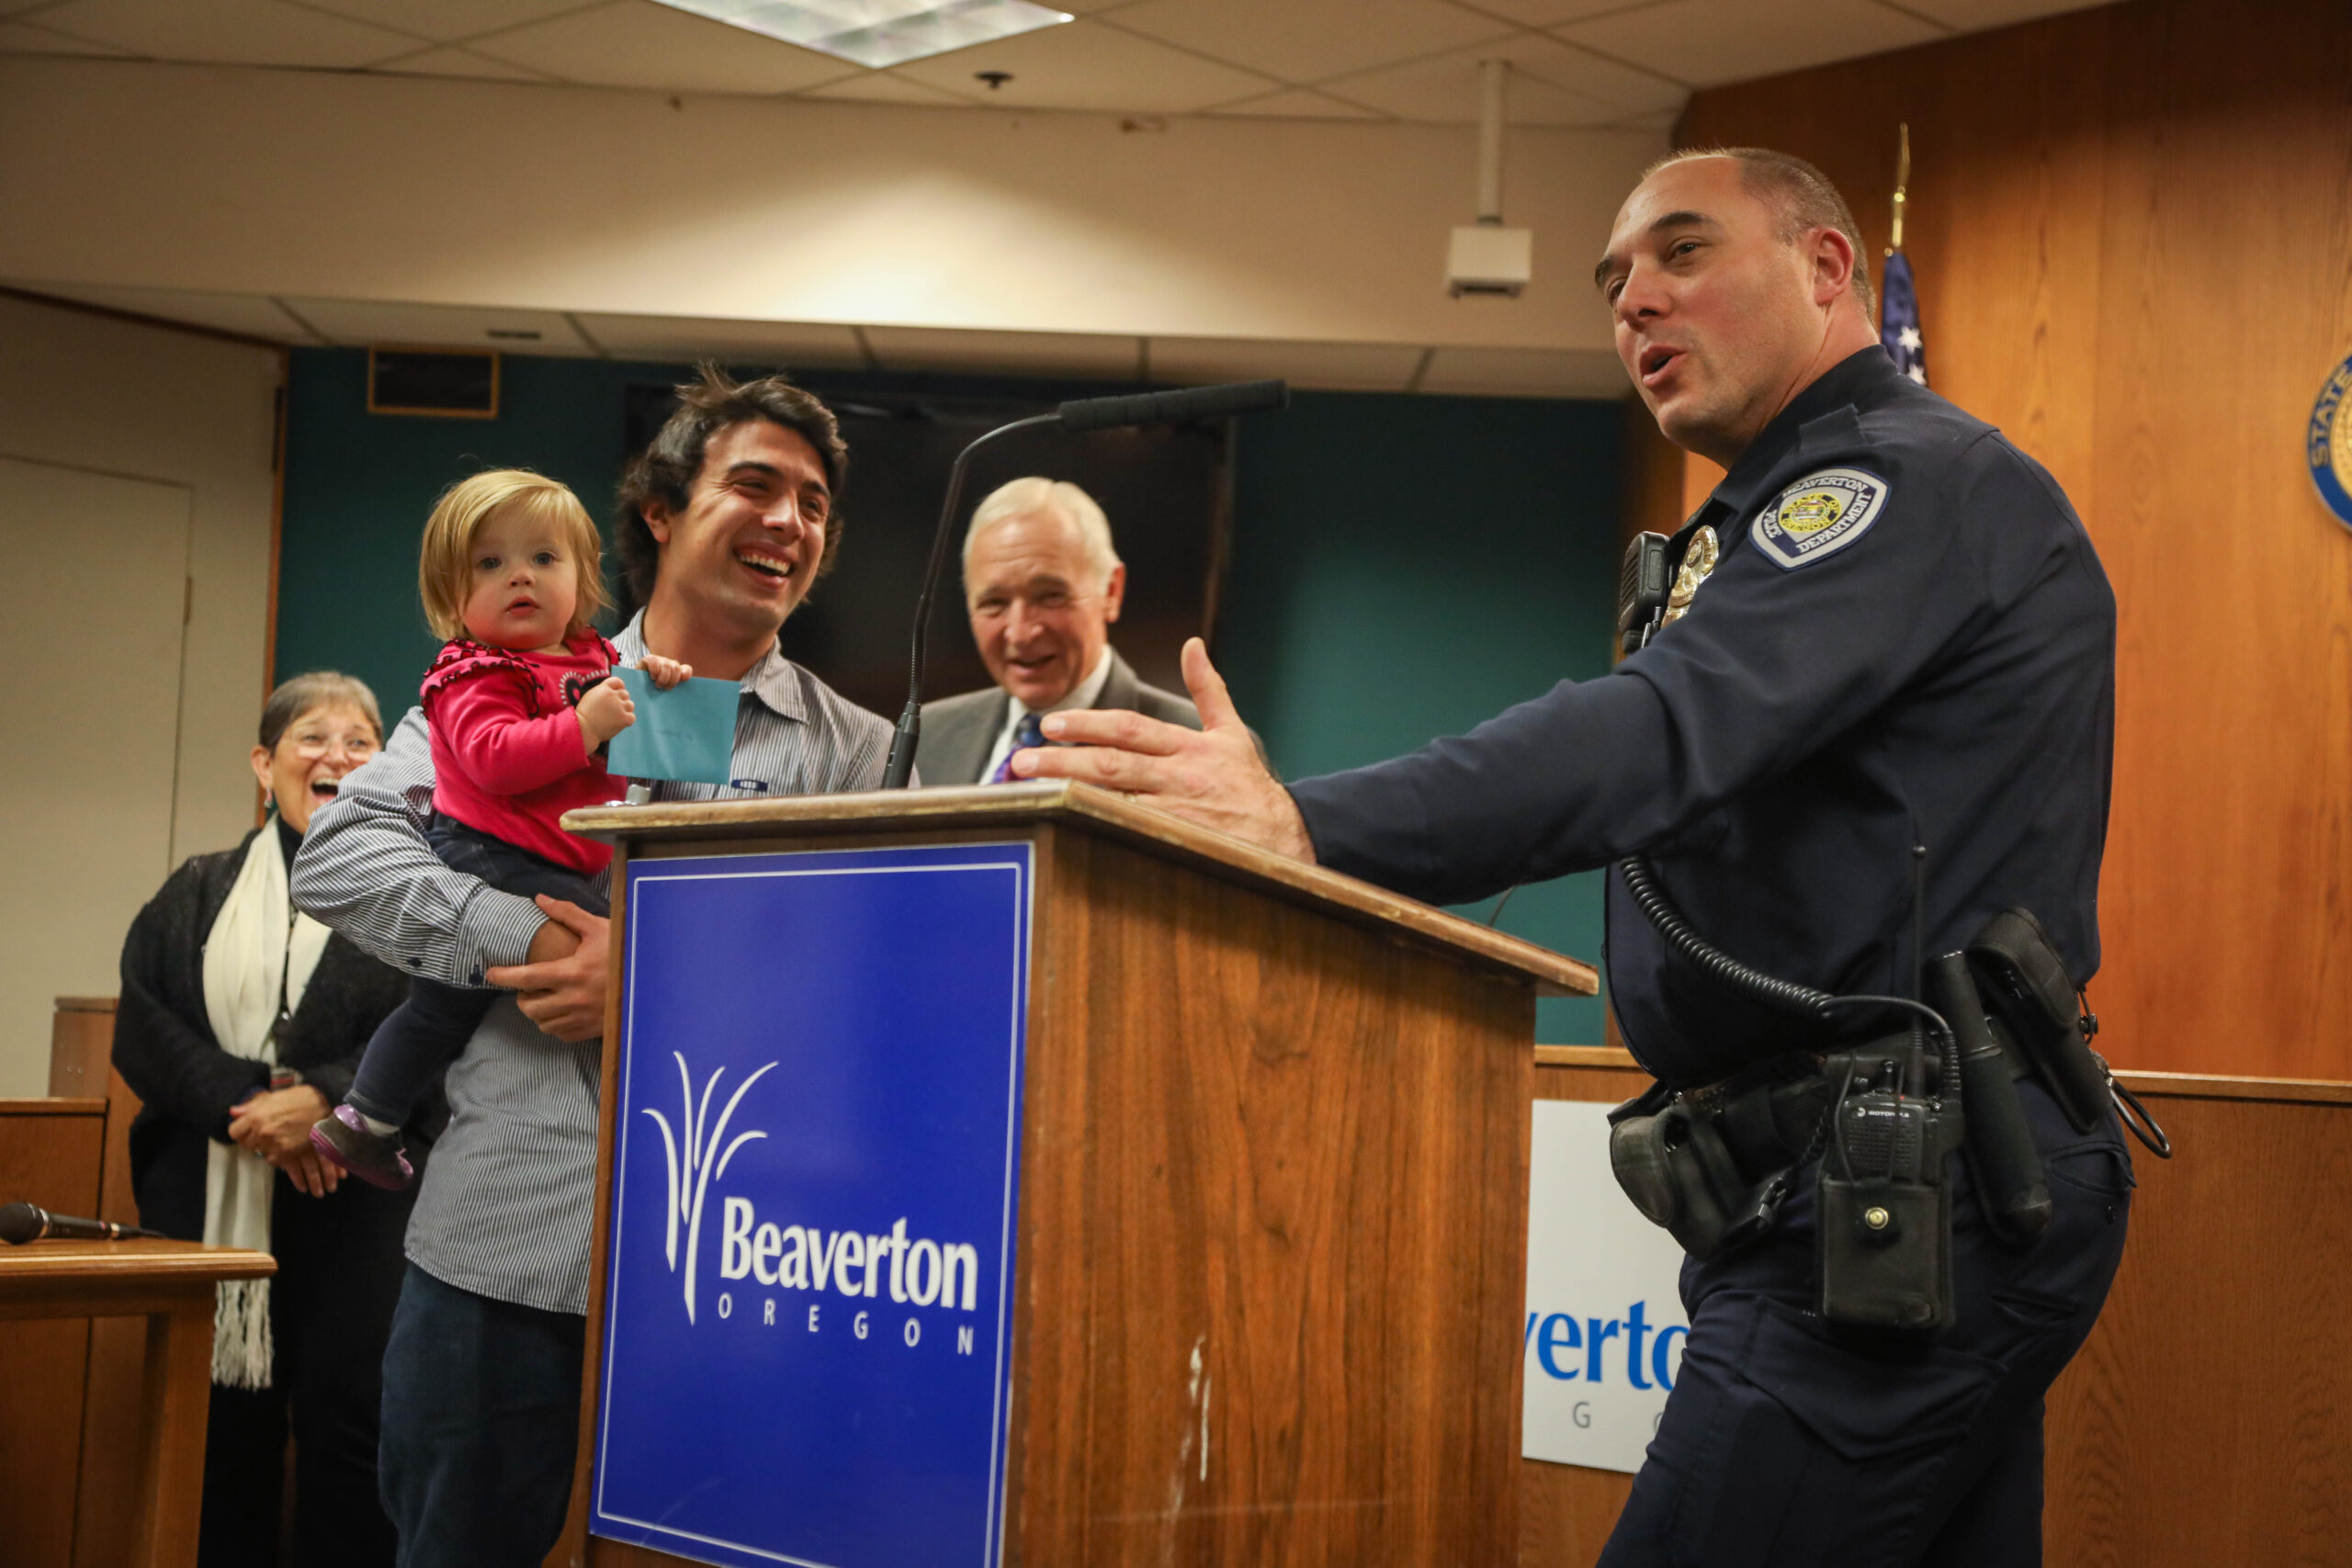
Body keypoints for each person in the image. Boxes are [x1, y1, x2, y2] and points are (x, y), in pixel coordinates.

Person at [1011, 148, 2132, 1565]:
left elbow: (1660, 730)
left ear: (1828, 267)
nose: (1634, 302)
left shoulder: (1898, 479)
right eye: (1614, 281)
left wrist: (1308, 824)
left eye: (1683, 252)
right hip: (1872, 1181)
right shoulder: (1782, 508)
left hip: (1901, 1190)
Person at [291, 365, 898, 1568]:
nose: (788, 520)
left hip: (740, 1277)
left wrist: (660, 983)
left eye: (815, 503)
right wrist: (529, 935)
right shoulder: (503, 676)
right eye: (754, 485)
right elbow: (342, 858)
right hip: (500, 1250)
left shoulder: (864, 755)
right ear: (661, 509)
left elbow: (877, 995)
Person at [113, 671, 425, 1568]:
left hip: (355, 1202)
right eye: (313, 737)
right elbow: (143, 1023)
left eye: (360, 741)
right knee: (218, 1429)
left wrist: (326, 1099)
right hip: (211, 1199)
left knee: (353, 1425)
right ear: (265, 763)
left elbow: (433, 1021)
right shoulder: (197, 888)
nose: (338, 756)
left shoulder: (415, 893)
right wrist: (252, 1109)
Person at [309, 470, 686, 1190]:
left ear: (583, 580)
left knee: (439, 1009)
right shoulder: (472, 673)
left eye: (544, 557)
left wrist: (657, 679)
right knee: (617, 934)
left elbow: (633, 718)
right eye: (490, 563)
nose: (521, 575)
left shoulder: (597, 659)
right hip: (488, 852)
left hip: (550, 855)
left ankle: (365, 1118)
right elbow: (494, 759)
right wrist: (582, 726)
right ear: (452, 596)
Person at [915, 476, 1200, 785]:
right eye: (994, 603)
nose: (1021, 633)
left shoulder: (1192, 746)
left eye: (1050, 596)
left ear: (1111, 591)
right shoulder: (925, 737)